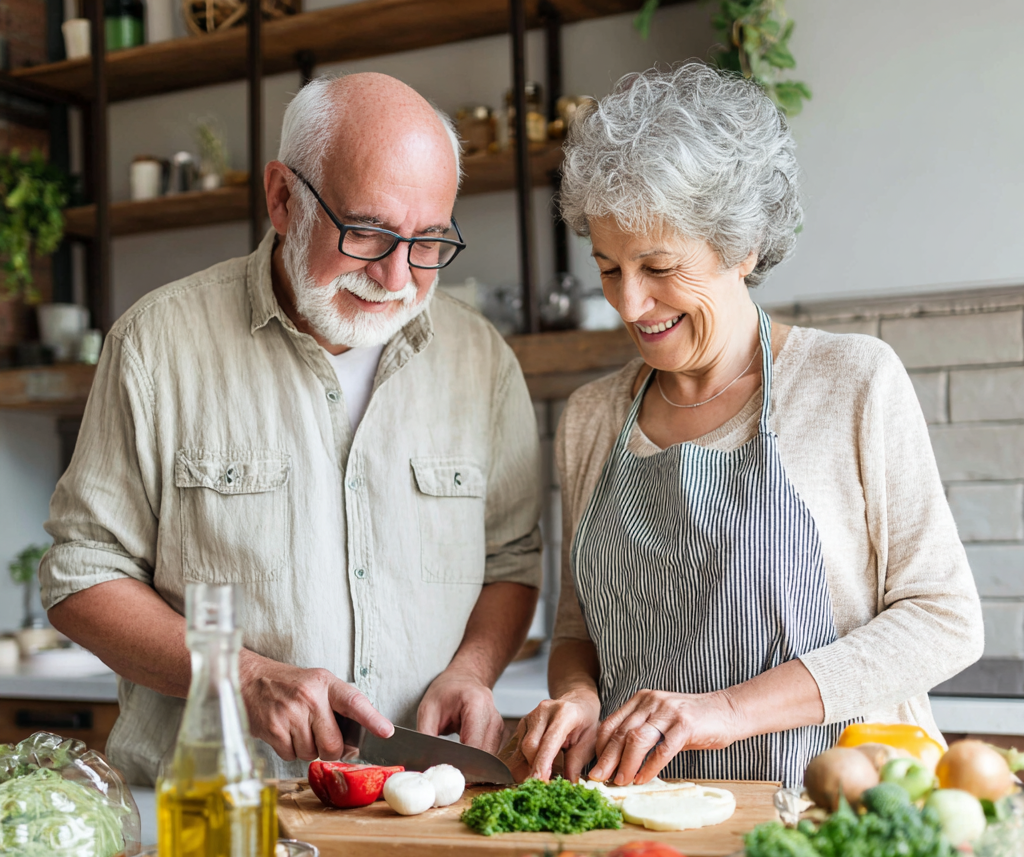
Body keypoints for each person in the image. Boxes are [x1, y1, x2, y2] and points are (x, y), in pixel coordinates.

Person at [41, 73, 542, 784]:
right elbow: (81, 577)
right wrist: (239, 676)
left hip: (417, 814)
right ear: (282, 198)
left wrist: (472, 669)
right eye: (367, 232)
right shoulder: (157, 345)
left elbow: (511, 563)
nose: (398, 277)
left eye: (429, 240)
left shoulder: (480, 359)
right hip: (217, 814)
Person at [511, 64, 983, 788]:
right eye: (608, 268)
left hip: (828, 817)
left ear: (743, 248)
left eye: (659, 266)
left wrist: (726, 711)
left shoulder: (852, 382)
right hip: (642, 820)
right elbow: (577, 627)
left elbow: (945, 617)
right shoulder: (592, 417)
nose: (630, 304)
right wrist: (575, 696)